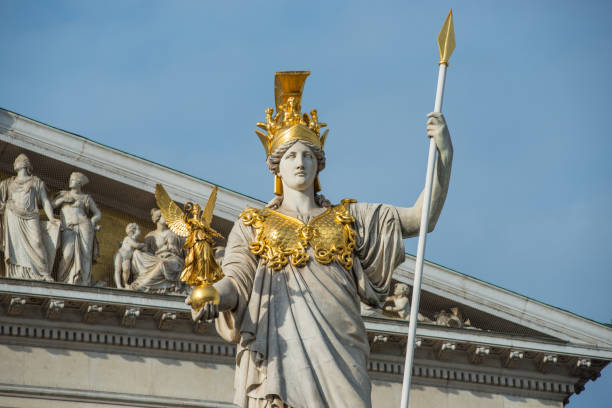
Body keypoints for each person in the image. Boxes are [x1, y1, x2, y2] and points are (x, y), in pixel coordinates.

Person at [188, 72, 453, 408]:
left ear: (319, 165)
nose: (300, 163)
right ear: (277, 169)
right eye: (291, 156)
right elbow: (237, 282)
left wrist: (444, 156)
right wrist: (213, 294)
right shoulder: (253, 224)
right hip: (281, 352)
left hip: (341, 350)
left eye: (308, 156)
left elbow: (421, 218)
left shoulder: (350, 218)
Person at [0, 153, 60, 281]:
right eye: (17, 161)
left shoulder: (36, 181)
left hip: (31, 216)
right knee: (16, 245)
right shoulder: (8, 183)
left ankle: (43, 273)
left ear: (27, 165)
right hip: (12, 215)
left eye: (21, 161)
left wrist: (51, 218)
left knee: (37, 242)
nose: (18, 162)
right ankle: (18, 273)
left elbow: (45, 201)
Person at [53, 172, 102, 285]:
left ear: (79, 183)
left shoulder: (86, 198)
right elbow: (51, 205)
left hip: (85, 226)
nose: (70, 181)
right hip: (68, 227)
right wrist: (63, 200)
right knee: (67, 254)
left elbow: (98, 213)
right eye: (70, 179)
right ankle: (63, 281)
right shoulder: (63, 194)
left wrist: (93, 221)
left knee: (86, 254)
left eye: (73, 179)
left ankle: (85, 281)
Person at [128, 208, 185, 293]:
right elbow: (147, 251)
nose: (169, 219)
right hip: (156, 258)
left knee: (162, 263)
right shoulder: (150, 236)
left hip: (173, 260)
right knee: (137, 254)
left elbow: (182, 251)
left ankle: (142, 284)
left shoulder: (174, 234)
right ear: (157, 218)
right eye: (165, 217)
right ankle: (140, 279)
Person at [113, 222, 145, 289]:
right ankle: (119, 285)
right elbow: (136, 245)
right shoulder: (128, 238)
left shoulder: (134, 240)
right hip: (120, 254)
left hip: (127, 258)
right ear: (133, 231)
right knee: (117, 270)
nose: (140, 231)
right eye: (139, 229)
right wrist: (143, 245)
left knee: (126, 270)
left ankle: (125, 283)